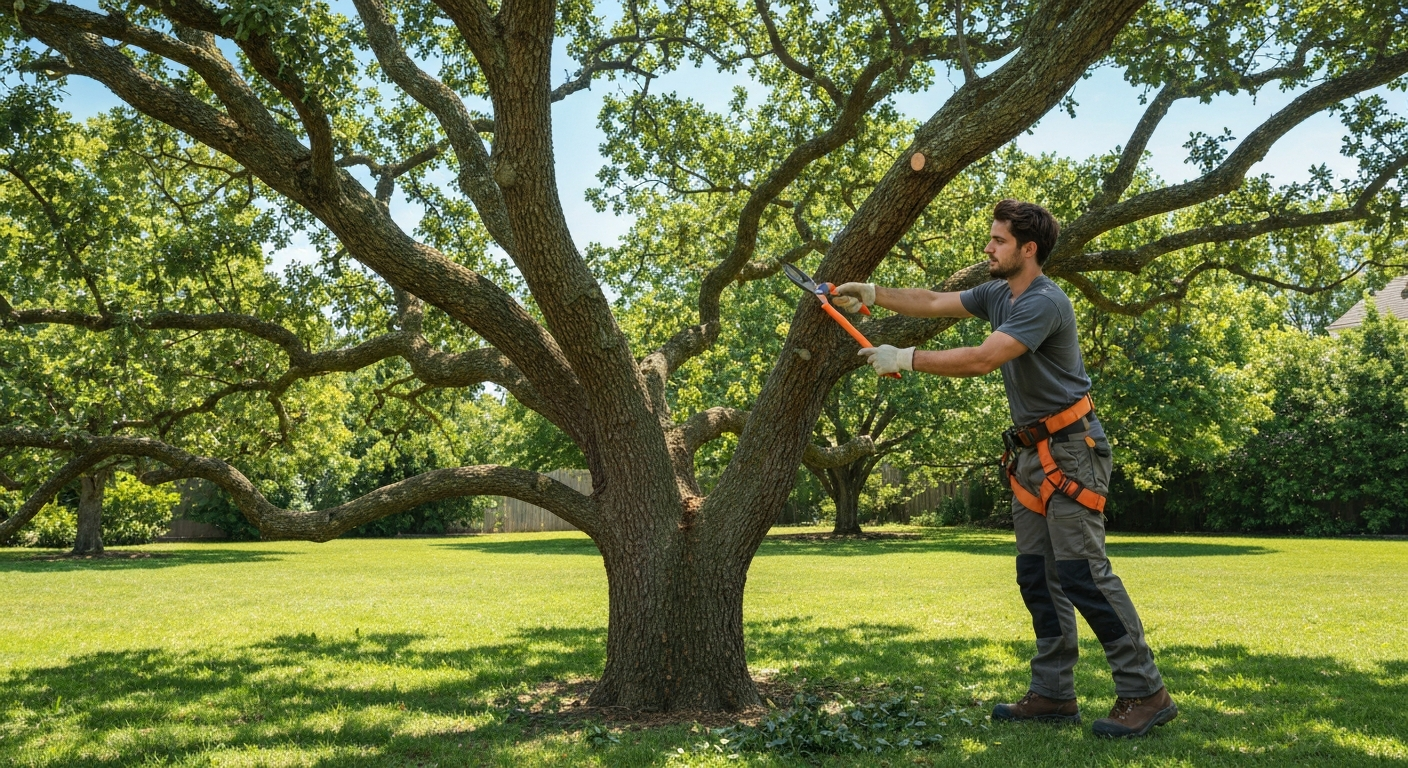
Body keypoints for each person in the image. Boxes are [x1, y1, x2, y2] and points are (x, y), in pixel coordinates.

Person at [833, 199, 1177, 739]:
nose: (988, 248)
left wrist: (905, 358)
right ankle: (1054, 693)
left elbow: (983, 358)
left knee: (1084, 574)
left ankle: (1145, 691)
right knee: (1037, 576)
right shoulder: (997, 293)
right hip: (1029, 454)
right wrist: (873, 293)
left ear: (1028, 249)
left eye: (998, 240)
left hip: (1071, 451)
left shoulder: (1044, 301)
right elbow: (933, 301)